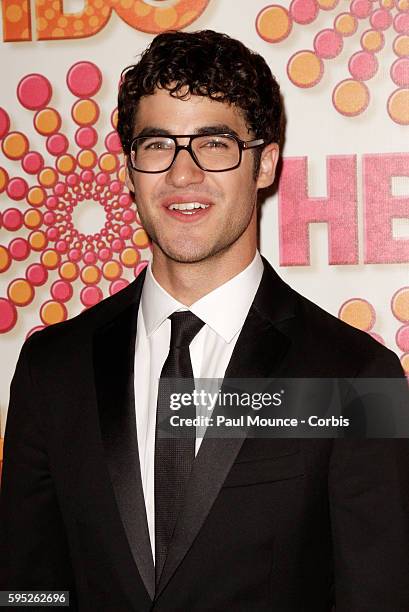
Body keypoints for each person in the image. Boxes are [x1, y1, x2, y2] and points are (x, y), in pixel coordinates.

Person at [1, 29, 408, 611]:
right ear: (131, 169)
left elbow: (382, 595)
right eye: (158, 144)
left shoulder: (360, 378)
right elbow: (27, 587)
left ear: (265, 163)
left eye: (214, 144)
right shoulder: (51, 368)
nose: (183, 174)